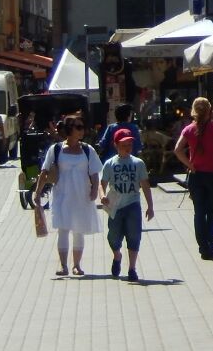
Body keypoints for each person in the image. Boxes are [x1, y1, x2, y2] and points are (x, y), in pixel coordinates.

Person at [33, 115, 102, 275]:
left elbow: (94, 172)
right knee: (63, 229)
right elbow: (44, 172)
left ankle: (76, 265)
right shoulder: (56, 149)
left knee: (79, 230)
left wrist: (94, 189)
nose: (82, 130)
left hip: (81, 195)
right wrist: (37, 192)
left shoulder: (87, 149)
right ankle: (63, 265)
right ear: (69, 130)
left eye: (82, 127)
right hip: (62, 195)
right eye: (78, 127)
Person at [174, 96, 213, 260]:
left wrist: (190, 165)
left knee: (199, 212)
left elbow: (177, 149)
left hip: (196, 175)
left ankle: (202, 247)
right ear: (210, 110)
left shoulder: (188, 129)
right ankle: (210, 245)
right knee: (212, 212)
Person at [100, 128, 154, 282]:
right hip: (115, 206)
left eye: (130, 144)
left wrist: (150, 206)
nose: (128, 147)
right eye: (124, 144)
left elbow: (145, 185)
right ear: (116, 145)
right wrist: (102, 195)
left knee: (134, 235)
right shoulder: (110, 164)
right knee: (113, 236)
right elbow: (102, 183)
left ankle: (132, 268)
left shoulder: (138, 163)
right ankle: (117, 256)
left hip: (133, 204)